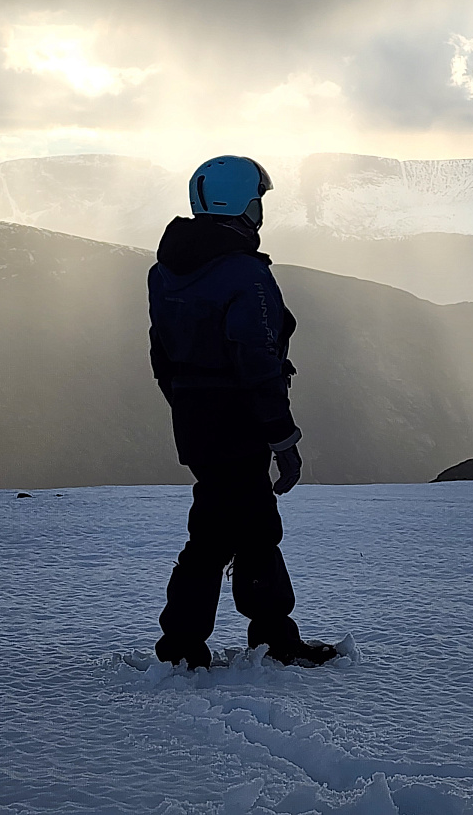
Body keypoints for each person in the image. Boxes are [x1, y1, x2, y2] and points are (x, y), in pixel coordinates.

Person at [148, 155, 338, 670]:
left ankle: (229, 641)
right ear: (242, 203)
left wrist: (191, 405)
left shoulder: (165, 272)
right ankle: (230, 645)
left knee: (242, 529)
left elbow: (160, 355)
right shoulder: (244, 274)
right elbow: (258, 360)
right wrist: (283, 438)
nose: (262, 209)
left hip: (195, 421)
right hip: (240, 422)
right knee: (229, 535)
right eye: (259, 198)